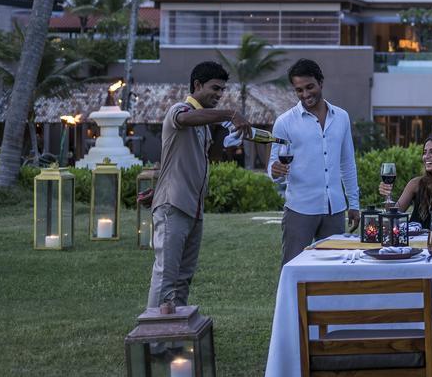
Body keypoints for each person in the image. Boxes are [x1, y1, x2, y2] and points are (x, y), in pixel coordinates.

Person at [147, 61, 250, 309]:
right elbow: (185, 118)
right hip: (174, 205)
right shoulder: (179, 110)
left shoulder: (203, 124)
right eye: (215, 88)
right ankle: (153, 339)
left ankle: (176, 333)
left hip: (193, 209)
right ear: (197, 85)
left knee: (183, 279)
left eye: (222, 90)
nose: (219, 94)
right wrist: (230, 114)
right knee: (166, 278)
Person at [268, 59, 361, 265]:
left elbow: (347, 162)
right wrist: (275, 171)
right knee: (293, 267)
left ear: (321, 82)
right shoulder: (284, 122)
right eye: (299, 90)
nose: (305, 94)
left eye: (309, 87)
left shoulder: (342, 117)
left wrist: (353, 203)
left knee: (334, 269)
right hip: (299, 209)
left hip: (335, 209)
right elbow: (274, 164)